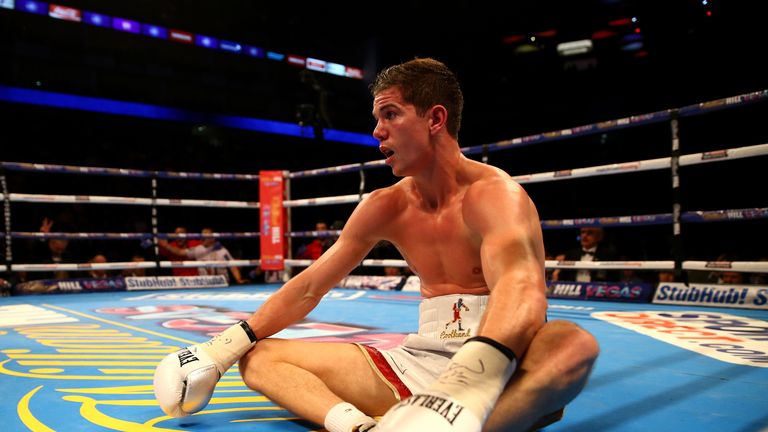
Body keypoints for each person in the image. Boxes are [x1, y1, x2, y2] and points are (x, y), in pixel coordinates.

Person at [153, 58, 599, 431]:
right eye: (376, 120)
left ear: (435, 119)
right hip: (419, 362)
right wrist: (221, 348)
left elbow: (520, 289)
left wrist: (465, 383)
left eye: (390, 115)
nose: (377, 132)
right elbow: (310, 286)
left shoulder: (494, 195)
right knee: (259, 358)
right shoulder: (385, 206)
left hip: (497, 366)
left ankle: (451, 418)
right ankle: (362, 427)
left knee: (572, 344)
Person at [159, 228, 247, 284]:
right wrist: (166, 245)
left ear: (213, 238)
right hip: (204, 283)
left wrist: (238, 279)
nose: (202, 237)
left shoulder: (222, 251)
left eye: (206, 236)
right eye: (202, 235)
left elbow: (233, 267)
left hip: (222, 283)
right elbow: (181, 252)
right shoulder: (198, 249)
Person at [552, 227, 618, 282]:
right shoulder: (571, 254)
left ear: (599, 237)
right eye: (583, 232)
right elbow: (563, 277)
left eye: (590, 233)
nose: (585, 236)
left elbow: (613, 279)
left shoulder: (607, 255)